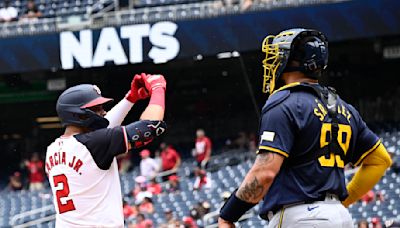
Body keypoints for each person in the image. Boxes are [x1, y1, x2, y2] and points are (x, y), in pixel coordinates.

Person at [218, 28, 392, 227]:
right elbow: (380, 160)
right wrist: (342, 202)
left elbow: (265, 172)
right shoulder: (346, 109)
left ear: (292, 61)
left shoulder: (283, 102)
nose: (272, 61)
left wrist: (228, 214)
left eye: (278, 54)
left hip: (300, 217)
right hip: (340, 218)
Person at [45, 73, 166, 227]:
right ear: (79, 115)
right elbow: (152, 126)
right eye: (96, 108)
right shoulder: (93, 143)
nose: (102, 112)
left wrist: (131, 98)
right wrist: (158, 88)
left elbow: (104, 128)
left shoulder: (52, 149)